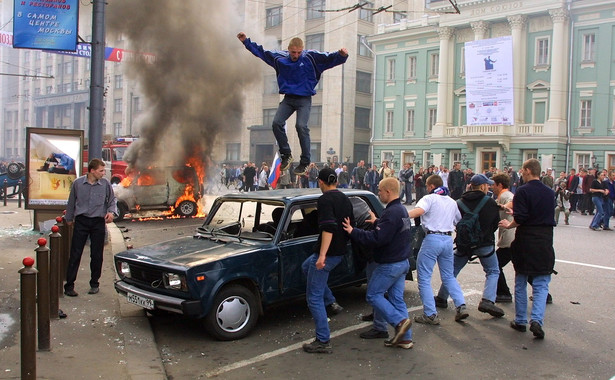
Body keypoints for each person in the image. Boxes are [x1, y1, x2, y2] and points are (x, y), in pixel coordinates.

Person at [237, 32, 348, 175]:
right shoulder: (279, 58)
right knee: (276, 123)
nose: (295, 55)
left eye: (298, 52)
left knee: (301, 126)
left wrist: (341, 55)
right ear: (288, 50)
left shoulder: (310, 57)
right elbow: (261, 52)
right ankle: (286, 155)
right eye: (293, 52)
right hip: (289, 98)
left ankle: (305, 161)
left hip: (304, 99)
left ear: (302, 50)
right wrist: (246, 41)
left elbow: (329, 59)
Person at [342, 177, 413, 349]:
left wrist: (353, 231)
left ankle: (399, 322)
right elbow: (391, 230)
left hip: (390, 264)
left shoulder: (391, 212)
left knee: (373, 295)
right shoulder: (400, 210)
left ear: (388, 191)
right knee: (397, 300)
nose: (379, 193)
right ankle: (405, 338)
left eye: (380, 190)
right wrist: (377, 222)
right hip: (402, 262)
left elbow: (377, 238)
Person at [499, 158, 555, 339]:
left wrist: (510, 224)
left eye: (523, 170)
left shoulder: (522, 191)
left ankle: (521, 320)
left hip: (526, 239)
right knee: (541, 282)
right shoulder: (549, 192)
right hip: (545, 240)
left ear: (529, 170)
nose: (521, 173)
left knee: (521, 280)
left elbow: (522, 218)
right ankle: (537, 320)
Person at [434, 174, 504, 318]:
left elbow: (453, 221)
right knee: (492, 271)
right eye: (487, 185)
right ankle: (487, 300)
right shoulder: (489, 203)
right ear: (483, 186)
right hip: (485, 243)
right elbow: (495, 222)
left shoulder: (458, 202)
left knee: (452, 271)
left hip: (464, 243)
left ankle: (442, 297)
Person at [301, 167, 354, 354]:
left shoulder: (324, 199)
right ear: (336, 182)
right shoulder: (344, 198)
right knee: (306, 266)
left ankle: (323, 340)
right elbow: (350, 226)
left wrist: (322, 255)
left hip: (328, 253)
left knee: (313, 298)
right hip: (339, 251)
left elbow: (328, 228)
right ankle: (331, 302)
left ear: (321, 182)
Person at [408, 174, 469, 325]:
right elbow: (457, 220)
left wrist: (399, 214)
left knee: (424, 278)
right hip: (447, 239)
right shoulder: (451, 201)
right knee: (448, 275)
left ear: (429, 186)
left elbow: (419, 212)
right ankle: (461, 305)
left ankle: (430, 313)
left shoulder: (429, 198)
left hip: (432, 239)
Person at [64, 159, 117, 297]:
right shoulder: (78, 183)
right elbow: (71, 202)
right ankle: (69, 285)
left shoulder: (105, 184)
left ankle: (94, 283)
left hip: (98, 223)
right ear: (92, 171)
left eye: (103, 171)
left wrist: (111, 212)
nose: (103, 173)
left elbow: (112, 200)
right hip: (81, 221)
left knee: (97, 254)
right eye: (101, 170)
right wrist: (69, 219)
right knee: (75, 254)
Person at [492, 173, 515, 303]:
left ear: (500, 185)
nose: (492, 187)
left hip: (510, 238)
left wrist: (504, 207)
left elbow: (513, 201)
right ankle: (544, 294)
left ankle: (503, 292)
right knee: (521, 266)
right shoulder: (502, 195)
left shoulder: (506, 195)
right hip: (512, 237)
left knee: (495, 264)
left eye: (493, 185)